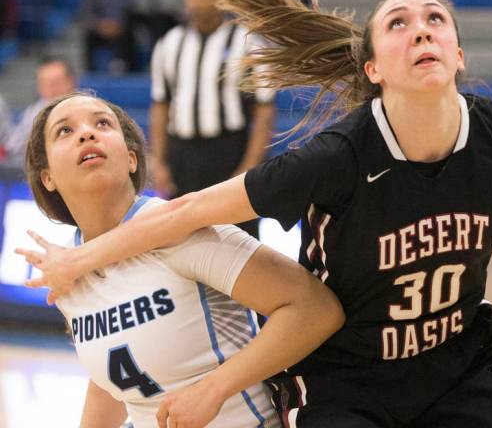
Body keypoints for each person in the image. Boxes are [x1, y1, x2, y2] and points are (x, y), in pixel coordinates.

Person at [18, 0, 492, 426]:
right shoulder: (340, 155)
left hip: (456, 365)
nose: (422, 30)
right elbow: (192, 208)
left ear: (459, 54)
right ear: (375, 67)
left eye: (435, 20)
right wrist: (80, 262)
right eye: (399, 23)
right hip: (349, 378)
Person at [21, 92, 343, 427]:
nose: (87, 133)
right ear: (48, 178)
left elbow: (315, 310)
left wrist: (212, 389)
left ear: (132, 158)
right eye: (65, 131)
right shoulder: (67, 271)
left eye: (102, 123)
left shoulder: (181, 232)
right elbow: (115, 378)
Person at [149, 0, 276, 238]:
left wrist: (249, 167)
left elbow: (264, 109)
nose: (194, 1)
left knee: (239, 239)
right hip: (183, 154)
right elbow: (160, 104)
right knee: (182, 241)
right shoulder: (170, 43)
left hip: (229, 150)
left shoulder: (247, 42)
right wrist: (159, 161)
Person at [5, 56, 77, 162]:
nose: (52, 89)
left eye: (56, 83)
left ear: (71, 81)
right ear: (39, 87)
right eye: (45, 84)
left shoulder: (89, 107)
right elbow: (12, 147)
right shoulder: (33, 113)